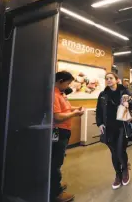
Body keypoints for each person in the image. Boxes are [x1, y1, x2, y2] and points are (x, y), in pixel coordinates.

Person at [96, 73, 132, 189]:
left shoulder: (124, 92)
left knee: (120, 150)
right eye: (106, 79)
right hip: (109, 128)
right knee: (113, 152)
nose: (108, 80)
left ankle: (125, 171)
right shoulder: (103, 95)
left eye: (111, 78)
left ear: (117, 80)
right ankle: (118, 174)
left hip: (122, 126)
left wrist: (129, 103)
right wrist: (100, 123)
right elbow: (98, 110)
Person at [52, 71, 84, 202]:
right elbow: (58, 117)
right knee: (56, 162)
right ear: (60, 81)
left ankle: (55, 184)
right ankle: (56, 192)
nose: (68, 86)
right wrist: (75, 114)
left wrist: (75, 109)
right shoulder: (54, 95)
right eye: (67, 83)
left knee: (58, 159)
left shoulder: (60, 94)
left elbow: (65, 109)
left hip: (64, 130)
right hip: (58, 131)